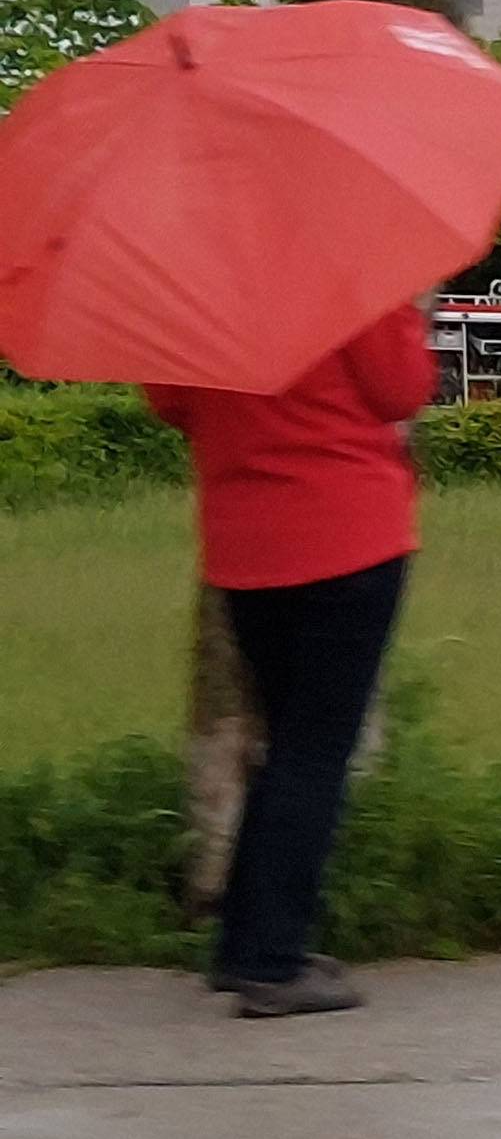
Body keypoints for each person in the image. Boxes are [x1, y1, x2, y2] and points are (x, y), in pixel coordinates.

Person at [142, 300, 434, 1019]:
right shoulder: (348, 274)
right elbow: (402, 389)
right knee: (314, 754)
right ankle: (270, 961)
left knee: (285, 747)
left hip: (244, 547)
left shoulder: (194, 282)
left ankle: (247, 944)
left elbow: (169, 402)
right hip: (348, 534)